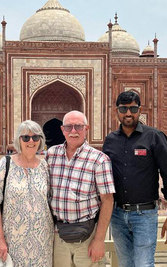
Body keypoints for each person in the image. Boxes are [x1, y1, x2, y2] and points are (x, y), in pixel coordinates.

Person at [103, 91, 167, 267]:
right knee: (125, 264)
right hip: (117, 214)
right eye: (124, 108)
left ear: (140, 110)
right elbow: (102, 178)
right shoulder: (110, 140)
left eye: (133, 108)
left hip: (144, 215)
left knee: (144, 264)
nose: (128, 113)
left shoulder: (154, 136)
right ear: (116, 110)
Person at [47, 110, 115, 267]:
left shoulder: (99, 159)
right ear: (62, 130)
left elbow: (107, 200)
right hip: (58, 236)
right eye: (69, 127)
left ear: (87, 128)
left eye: (78, 126)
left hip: (87, 236)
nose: (73, 131)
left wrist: (99, 240)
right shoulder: (52, 155)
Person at [0, 120, 53, 266]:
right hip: (13, 241)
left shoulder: (45, 167)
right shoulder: (5, 164)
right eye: (26, 137)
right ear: (19, 140)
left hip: (42, 242)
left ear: (40, 141)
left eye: (35, 137)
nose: (31, 141)